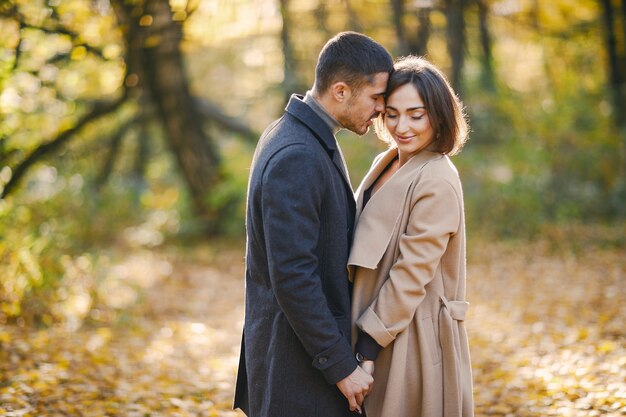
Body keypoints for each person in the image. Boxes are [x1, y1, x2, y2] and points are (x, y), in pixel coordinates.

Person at [233, 32, 393, 417]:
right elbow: (292, 275)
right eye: (375, 98)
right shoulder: (298, 154)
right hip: (296, 369)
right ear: (341, 90)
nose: (381, 110)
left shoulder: (300, 134)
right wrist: (340, 366)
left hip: (300, 360)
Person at [349, 55, 474, 417]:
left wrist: (367, 348)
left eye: (416, 115)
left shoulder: (436, 178)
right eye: (392, 114)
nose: (402, 126)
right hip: (370, 319)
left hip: (409, 336)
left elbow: (411, 273)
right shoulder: (388, 159)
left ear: (438, 115)